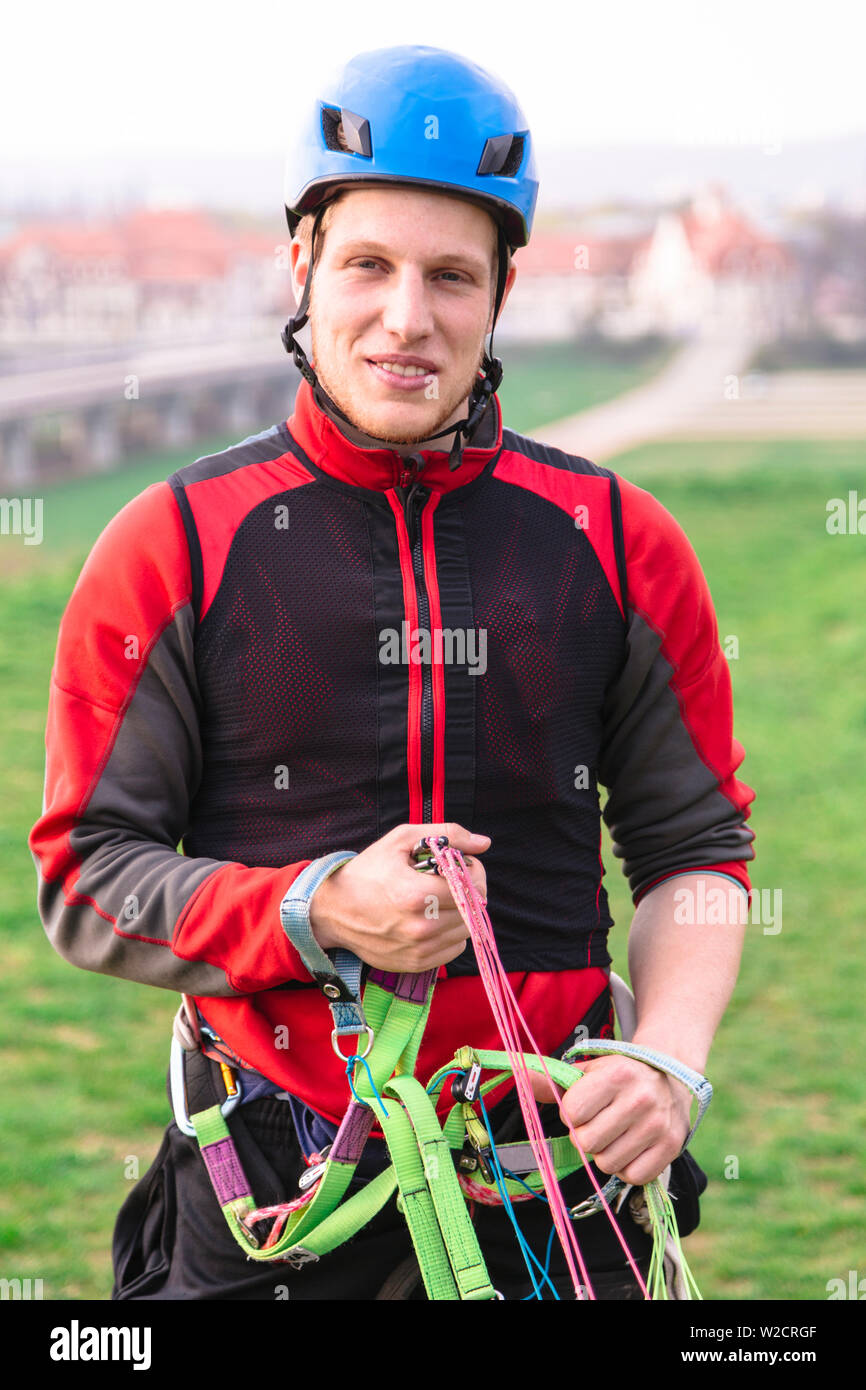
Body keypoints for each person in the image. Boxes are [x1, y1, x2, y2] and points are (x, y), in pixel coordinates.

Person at [28, 45, 755, 1301]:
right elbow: (89, 878)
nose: (405, 317)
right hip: (274, 1179)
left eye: (450, 277)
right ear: (301, 266)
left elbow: (694, 847)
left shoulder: (618, 543)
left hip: (552, 1178)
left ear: (502, 294)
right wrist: (309, 910)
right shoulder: (175, 544)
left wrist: (667, 1062)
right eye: (367, 265)